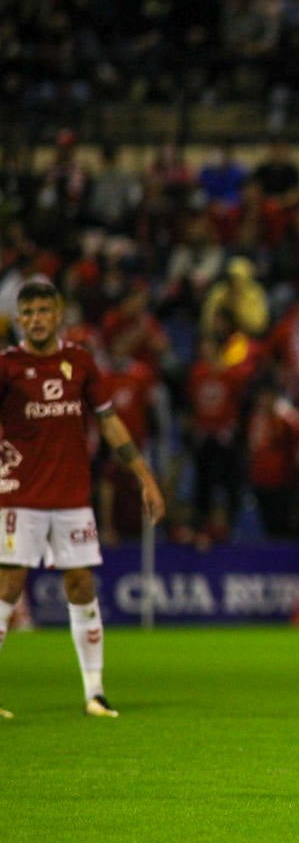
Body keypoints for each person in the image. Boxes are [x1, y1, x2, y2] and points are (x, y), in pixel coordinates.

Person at [0, 280, 166, 719]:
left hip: (71, 496)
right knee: (8, 587)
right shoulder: (7, 367)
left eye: (43, 310)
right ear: (20, 320)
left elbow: (109, 422)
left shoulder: (80, 362)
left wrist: (144, 477)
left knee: (81, 585)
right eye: (28, 312)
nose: (36, 319)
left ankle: (95, 692)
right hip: (18, 494)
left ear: (59, 315)